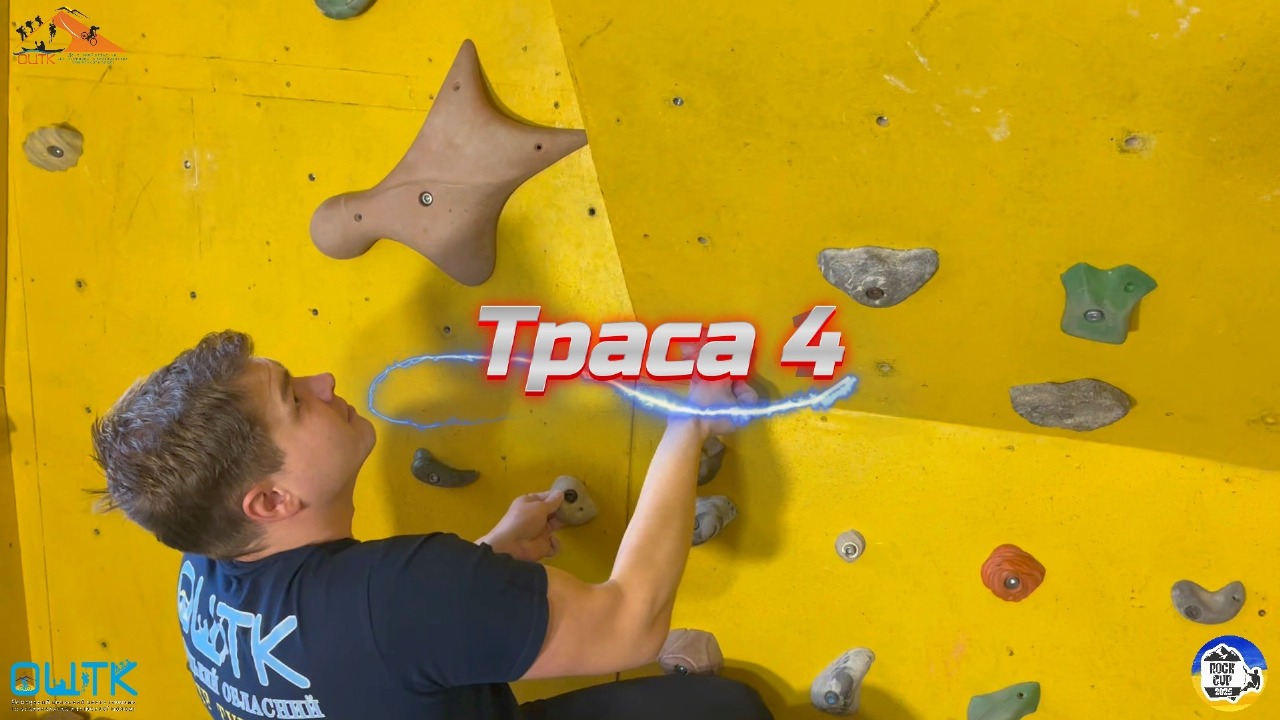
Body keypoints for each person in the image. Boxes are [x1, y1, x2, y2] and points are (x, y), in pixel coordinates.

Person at [90, 330, 772, 720]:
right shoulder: (402, 593)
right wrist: (689, 425)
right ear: (270, 502)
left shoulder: (203, 568)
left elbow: (364, 649)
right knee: (724, 711)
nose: (324, 382)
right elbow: (630, 624)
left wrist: (489, 556)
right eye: (295, 399)